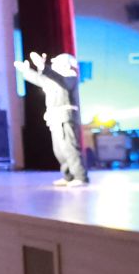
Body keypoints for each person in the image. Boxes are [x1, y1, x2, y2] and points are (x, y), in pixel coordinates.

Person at [13, 51, 88, 186]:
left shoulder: (70, 77)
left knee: (69, 147)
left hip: (66, 117)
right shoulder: (54, 79)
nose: (54, 65)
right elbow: (39, 79)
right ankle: (68, 176)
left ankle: (80, 176)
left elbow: (58, 79)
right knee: (59, 149)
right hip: (55, 117)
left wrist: (43, 66)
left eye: (57, 63)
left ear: (65, 65)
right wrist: (26, 70)